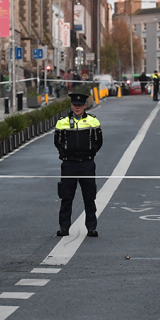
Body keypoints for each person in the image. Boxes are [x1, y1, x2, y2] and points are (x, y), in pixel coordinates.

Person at [54, 92, 103, 237]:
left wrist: (91, 153)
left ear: (84, 106)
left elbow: (98, 141)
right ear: (71, 105)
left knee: (89, 197)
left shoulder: (93, 121)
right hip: (69, 163)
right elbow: (57, 141)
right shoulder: (62, 122)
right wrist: (64, 153)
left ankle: (91, 227)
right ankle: (64, 227)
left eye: (80, 105)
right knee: (66, 197)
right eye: (75, 105)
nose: (77, 108)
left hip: (87, 163)